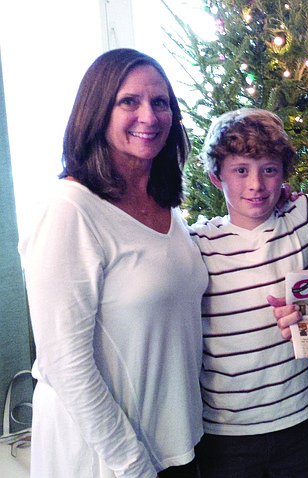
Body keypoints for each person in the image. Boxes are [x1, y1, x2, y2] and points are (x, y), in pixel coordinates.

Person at [19, 48, 208, 478]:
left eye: (161, 102)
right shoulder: (69, 209)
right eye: (129, 101)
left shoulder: (164, 206)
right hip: (109, 460)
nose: (150, 115)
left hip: (177, 445)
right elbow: (65, 364)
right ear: (97, 111)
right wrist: (131, 464)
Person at [189, 108, 308, 478]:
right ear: (215, 177)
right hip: (226, 434)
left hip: (297, 421)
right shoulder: (196, 245)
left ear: (284, 174)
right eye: (241, 170)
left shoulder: (304, 217)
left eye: (268, 169)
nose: (256, 184)